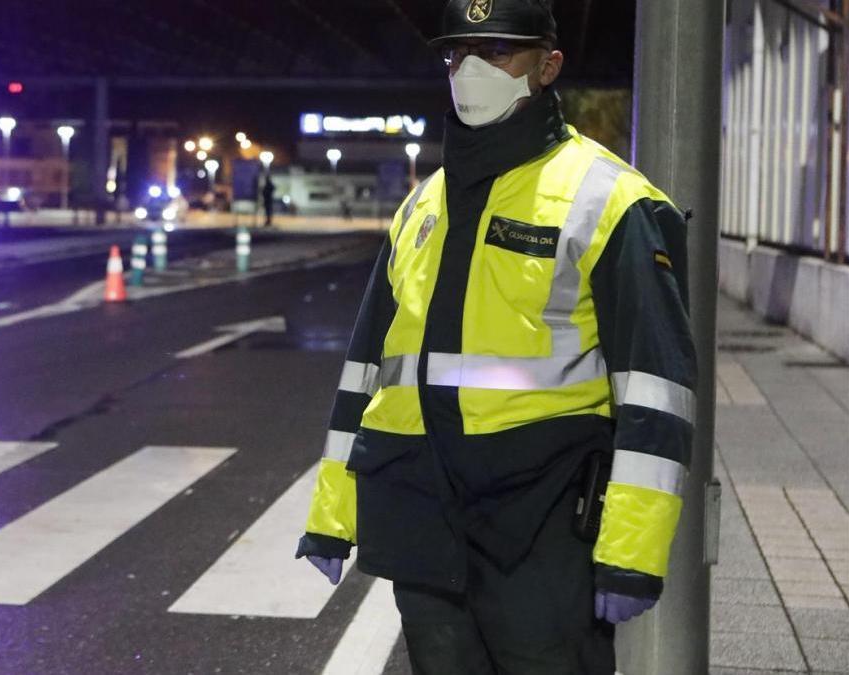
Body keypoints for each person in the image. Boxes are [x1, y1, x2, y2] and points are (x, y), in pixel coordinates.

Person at [295, 1, 697, 673]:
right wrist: (331, 514)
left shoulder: (608, 201)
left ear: (548, 65)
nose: (472, 70)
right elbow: (366, 372)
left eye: (498, 52)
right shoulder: (422, 206)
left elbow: (657, 392)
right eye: (458, 55)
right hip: (424, 523)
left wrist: (631, 552)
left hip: (540, 533)